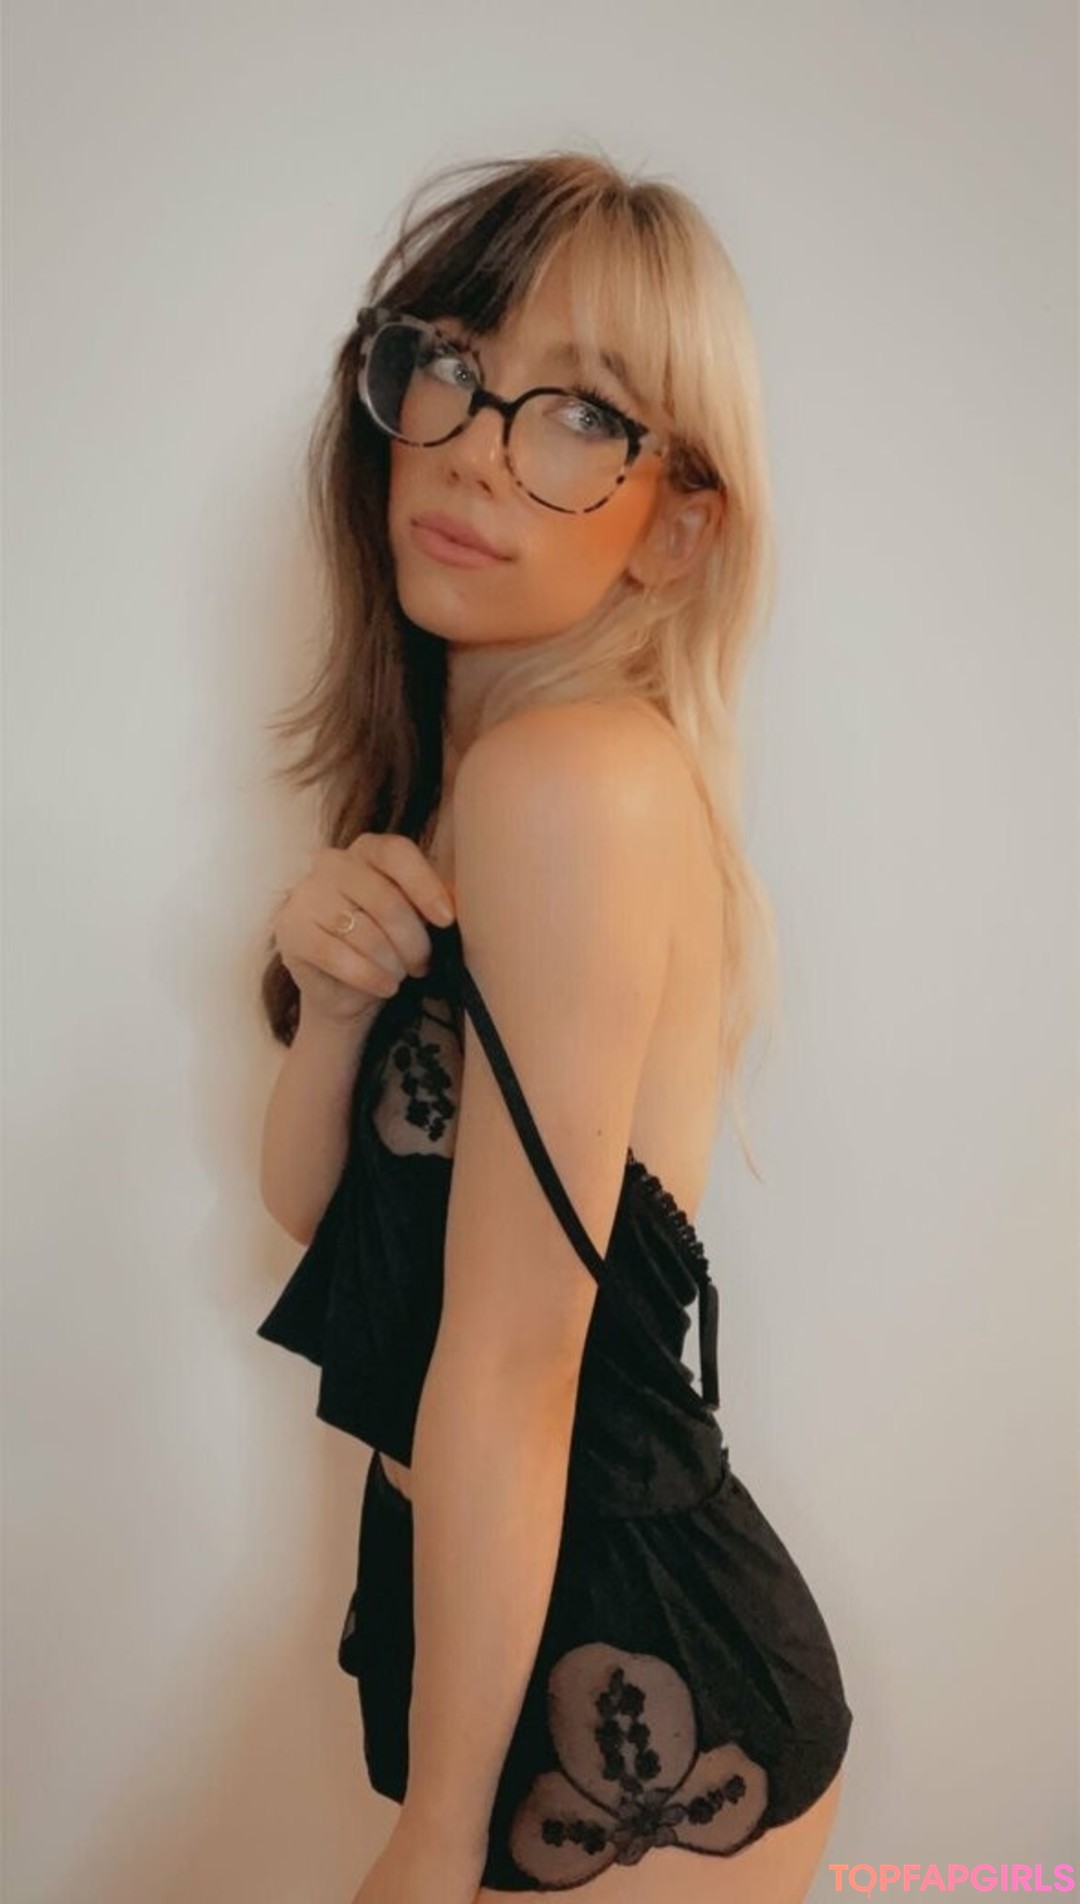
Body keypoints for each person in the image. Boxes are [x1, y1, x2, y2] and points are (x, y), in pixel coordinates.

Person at [256, 149, 854, 1902]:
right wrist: (334, 1008)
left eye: (582, 415)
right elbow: (332, 1232)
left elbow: (521, 1366)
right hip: (508, 1626)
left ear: (678, 521)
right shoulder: (478, 788)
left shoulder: (571, 786)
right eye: (451, 365)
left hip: (637, 1687)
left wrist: (438, 1835)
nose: (474, 447)